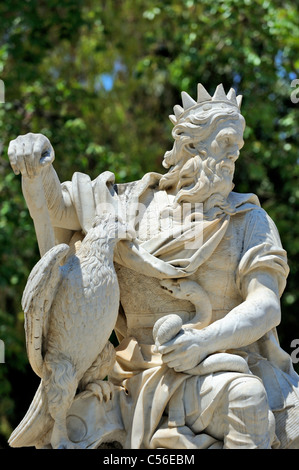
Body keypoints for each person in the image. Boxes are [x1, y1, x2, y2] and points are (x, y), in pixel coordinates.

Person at [8, 83, 299, 449]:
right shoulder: (129, 204)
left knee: (248, 397)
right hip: (128, 372)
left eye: (237, 146)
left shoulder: (250, 220)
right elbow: (56, 209)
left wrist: (204, 341)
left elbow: (266, 305)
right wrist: (36, 163)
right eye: (225, 142)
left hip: (214, 365)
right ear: (191, 144)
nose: (233, 154)